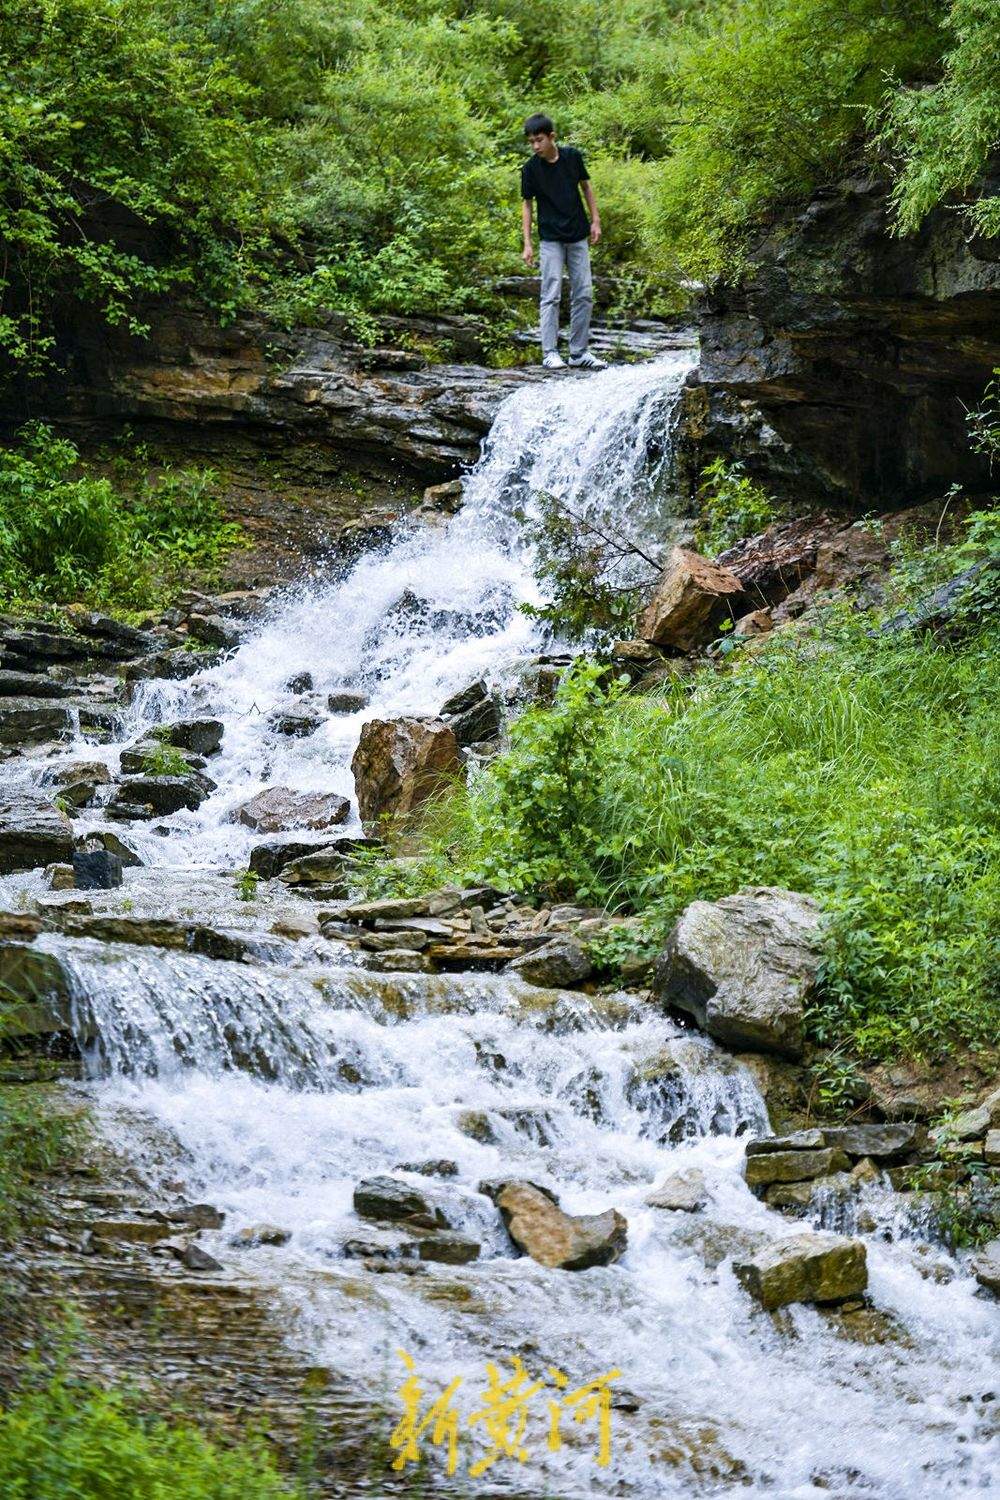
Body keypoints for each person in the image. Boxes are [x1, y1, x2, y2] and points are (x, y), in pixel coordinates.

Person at [520, 113, 606, 371]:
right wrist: (527, 243)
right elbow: (527, 206)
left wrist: (596, 220)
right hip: (550, 239)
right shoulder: (530, 169)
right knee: (551, 294)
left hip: (578, 234)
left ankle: (579, 352)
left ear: (551, 137)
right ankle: (550, 352)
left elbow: (586, 187)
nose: (535, 146)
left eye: (539, 140)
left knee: (584, 293)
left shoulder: (572, 157)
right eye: (531, 142)